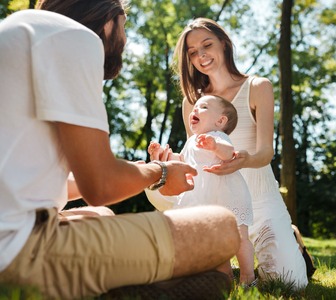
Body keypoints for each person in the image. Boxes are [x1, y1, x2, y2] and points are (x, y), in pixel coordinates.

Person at [0, 2, 241, 299]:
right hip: (15, 253)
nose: (125, 40)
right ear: (108, 22)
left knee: (100, 215)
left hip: (14, 226)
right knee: (222, 226)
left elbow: (45, 184)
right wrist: (161, 172)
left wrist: (138, 173)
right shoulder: (76, 38)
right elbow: (101, 185)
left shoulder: (21, 31)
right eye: (124, 26)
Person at [172, 17, 309, 289]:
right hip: (217, 203)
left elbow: (265, 152)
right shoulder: (193, 103)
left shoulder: (258, 87)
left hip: (260, 200)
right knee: (197, 278)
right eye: (192, 51)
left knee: (291, 283)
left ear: (224, 44)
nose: (201, 55)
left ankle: (289, 239)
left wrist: (242, 160)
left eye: (207, 45)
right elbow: (194, 158)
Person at [146, 95, 256, 286]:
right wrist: (162, 156)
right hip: (203, 198)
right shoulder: (191, 141)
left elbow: (229, 152)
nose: (194, 110)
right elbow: (181, 162)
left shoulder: (217, 136)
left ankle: (248, 275)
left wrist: (214, 146)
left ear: (220, 121)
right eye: (194, 107)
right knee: (214, 243)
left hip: (227, 197)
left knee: (239, 237)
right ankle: (225, 278)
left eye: (203, 107)